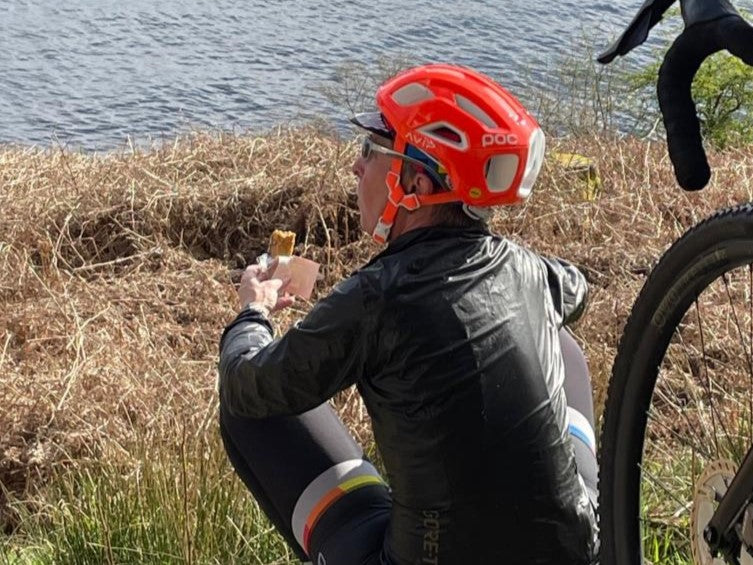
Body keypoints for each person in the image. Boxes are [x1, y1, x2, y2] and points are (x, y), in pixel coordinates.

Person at [218, 63, 599, 565]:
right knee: (560, 341)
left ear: (416, 182)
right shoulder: (528, 271)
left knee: (245, 406)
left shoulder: (373, 298)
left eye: (371, 150)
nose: (357, 167)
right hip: (578, 552)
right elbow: (577, 287)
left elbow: (249, 381)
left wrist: (254, 314)